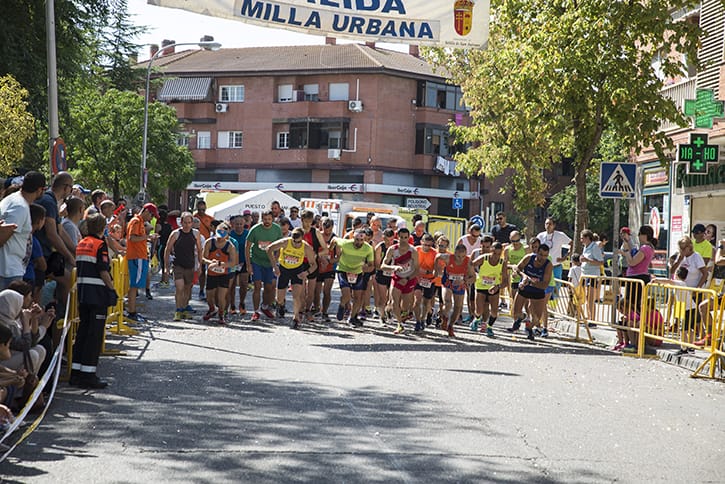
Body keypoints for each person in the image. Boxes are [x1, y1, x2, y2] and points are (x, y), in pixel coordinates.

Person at [70, 213, 117, 389]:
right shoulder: (100, 245)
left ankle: (76, 373)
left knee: (82, 333)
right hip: (97, 294)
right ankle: (88, 375)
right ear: (102, 227)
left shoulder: (82, 243)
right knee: (94, 336)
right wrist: (112, 290)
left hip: (83, 293)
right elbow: (103, 270)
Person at [0, 172, 46, 290]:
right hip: (7, 271)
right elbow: (2, 237)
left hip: (9, 269)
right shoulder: (19, 207)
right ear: (39, 190)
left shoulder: (12, 199)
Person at [266, 228, 318, 328]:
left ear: (302, 239)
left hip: (297, 270)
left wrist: (306, 273)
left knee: (296, 296)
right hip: (283, 269)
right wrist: (275, 266)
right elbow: (269, 249)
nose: (295, 244)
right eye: (294, 241)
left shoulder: (306, 247)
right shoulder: (286, 242)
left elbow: (314, 265)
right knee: (279, 299)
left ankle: (296, 318)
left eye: (298, 242)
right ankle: (281, 305)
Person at [507, 244, 553, 340]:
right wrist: (523, 276)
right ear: (536, 252)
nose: (542, 258)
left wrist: (530, 282)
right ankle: (522, 317)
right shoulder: (529, 258)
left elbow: (545, 285)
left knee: (536, 320)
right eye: (541, 254)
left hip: (538, 291)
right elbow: (517, 268)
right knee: (515, 313)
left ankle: (529, 328)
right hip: (524, 288)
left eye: (545, 255)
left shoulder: (548, 265)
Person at [331, 229, 374, 327]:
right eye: (357, 239)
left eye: (361, 240)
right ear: (353, 238)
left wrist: (366, 268)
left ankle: (353, 317)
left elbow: (371, 265)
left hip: (357, 272)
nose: (359, 242)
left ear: (365, 240)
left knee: (358, 297)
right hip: (343, 269)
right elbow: (334, 239)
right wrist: (331, 249)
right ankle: (342, 305)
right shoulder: (345, 243)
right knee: (347, 295)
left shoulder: (368, 248)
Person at [164, 212, 203, 321]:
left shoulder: (195, 233)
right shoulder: (176, 234)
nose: (187, 225)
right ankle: (178, 310)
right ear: (181, 222)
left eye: (189, 222)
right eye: (185, 222)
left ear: (192, 223)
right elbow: (167, 249)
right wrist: (166, 267)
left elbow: (200, 250)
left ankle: (184, 308)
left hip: (190, 264)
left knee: (187, 288)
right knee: (179, 287)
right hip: (178, 264)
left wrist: (200, 265)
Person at [246, 210, 282, 321]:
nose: (267, 221)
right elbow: (247, 247)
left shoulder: (277, 229)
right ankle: (256, 311)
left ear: (273, 219)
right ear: (262, 219)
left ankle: (265, 306)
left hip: (269, 262)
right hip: (256, 261)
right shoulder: (255, 229)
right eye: (265, 219)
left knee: (269, 287)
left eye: (269, 219)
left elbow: (279, 246)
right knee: (257, 286)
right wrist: (248, 264)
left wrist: (275, 262)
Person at [381, 227, 420, 333]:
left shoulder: (413, 251)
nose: (403, 240)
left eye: (405, 237)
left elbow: (417, 269)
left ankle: (402, 314)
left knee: (405, 306)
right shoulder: (392, 249)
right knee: (394, 302)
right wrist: (393, 267)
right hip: (397, 278)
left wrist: (407, 278)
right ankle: (399, 324)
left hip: (409, 279)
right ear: (397, 237)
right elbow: (383, 266)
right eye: (401, 237)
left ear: (408, 238)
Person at [126, 203, 159, 322]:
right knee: (134, 285)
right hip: (137, 256)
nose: (151, 218)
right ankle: (131, 312)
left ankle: (133, 311)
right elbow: (132, 238)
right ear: (146, 211)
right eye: (151, 215)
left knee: (135, 285)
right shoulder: (136, 221)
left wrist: (148, 238)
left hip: (139, 256)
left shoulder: (139, 221)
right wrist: (147, 237)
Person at [202, 223, 238, 325]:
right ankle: (212, 308)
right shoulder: (209, 242)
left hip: (223, 273)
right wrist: (211, 262)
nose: (220, 238)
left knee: (221, 296)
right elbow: (203, 258)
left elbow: (233, 262)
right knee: (209, 296)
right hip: (211, 273)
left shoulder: (230, 246)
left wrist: (221, 264)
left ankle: (221, 314)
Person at [437, 243, 474, 338]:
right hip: (448, 282)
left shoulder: (468, 261)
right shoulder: (448, 258)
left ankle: (450, 326)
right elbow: (437, 256)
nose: (461, 258)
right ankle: (444, 317)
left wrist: (464, 281)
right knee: (448, 302)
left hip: (460, 284)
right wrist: (436, 270)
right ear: (455, 253)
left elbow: (473, 277)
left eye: (463, 256)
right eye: (458, 256)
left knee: (458, 307)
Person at [471, 241, 506, 337]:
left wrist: (498, 286)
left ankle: (489, 327)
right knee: (479, 310)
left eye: (499, 254)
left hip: (494, 287)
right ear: (491, 250)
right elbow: (471, 264)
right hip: (481, 286)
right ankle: (476, 319)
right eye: (494, 253)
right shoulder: (484, 258)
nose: (496, 256)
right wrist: (473, 275)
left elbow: (505, 281)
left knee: (494, 312)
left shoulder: (502, 262)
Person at [619, 225, 656, 311]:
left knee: (632, 304)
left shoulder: (645, 248)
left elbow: (632, 262)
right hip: (636, 277)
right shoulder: (645, 247)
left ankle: (635, 318)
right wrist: (628, 241)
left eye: (639, 234)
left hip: (637, 277)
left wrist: (626, 251)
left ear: (644, 235)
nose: (638, 236)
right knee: (632, 303)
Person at [536, 218, 571, 293]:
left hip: (556, 267)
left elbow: (572, 243)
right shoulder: (540, 236)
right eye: (546, 224)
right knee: (543, 290)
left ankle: (555, 300)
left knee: (555, 291)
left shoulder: (560, 235)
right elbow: (535, 248)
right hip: (543, 267)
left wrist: (564, 257)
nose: (548, 226)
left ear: (554, 225)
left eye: (550, 224)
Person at [457, 223, 482, 323]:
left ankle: (472, 314)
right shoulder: (462, 240)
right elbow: (457, 254)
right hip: (463, 268)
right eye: (473, 235)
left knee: (472, 293)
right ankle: (459, 314)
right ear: (469, 232)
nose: (475, 238)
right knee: (462, 292)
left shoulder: (480, 241)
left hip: (474, 269)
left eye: (477, 236)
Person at [314, 217, 337, 321]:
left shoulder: (335, 238)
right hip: (317, 267)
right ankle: (316, 308)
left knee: (327, 291)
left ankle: (325, 311)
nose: (327, 230)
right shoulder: (317, 236)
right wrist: (319, 258)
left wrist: (329, 261)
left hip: (329, 268)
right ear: (321, 226)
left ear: (332, 227)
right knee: (316, 291)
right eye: (325, 227)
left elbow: (339, 256)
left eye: (329, 227)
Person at [227, 215, 249, 316]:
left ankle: (242, 303)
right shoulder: (230, 234)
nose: (239, 226)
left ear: (244, 224)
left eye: (241, 224)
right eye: (237, 224)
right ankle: (232, 305)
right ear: (233, 224)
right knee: (232, 285)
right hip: (232, 262)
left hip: (244, 262)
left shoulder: (247, 234)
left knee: (244, 284)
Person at [414, 234, 437, 328]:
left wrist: (428, 272)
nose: (427, 247)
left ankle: (423, 318)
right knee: (417, 300)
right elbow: (411, 264)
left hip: (430, 279)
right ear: (421, 242)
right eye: (425, 245)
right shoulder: (415, 250)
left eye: (429, 245)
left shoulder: (435, 253)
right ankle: (417, 321)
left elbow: (437, 269)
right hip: (417, 278)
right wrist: (418, 272)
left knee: (426, 302)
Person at [580, 229, 604, 320]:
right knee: (586, 297)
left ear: (587, 238)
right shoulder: (585, 247)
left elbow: (601, 262)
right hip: (585, 274)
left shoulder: (594, 247)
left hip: (592, 275)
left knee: (590, 298)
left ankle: (592, 319)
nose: (581, 240)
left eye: (582, 238)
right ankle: (588, 316)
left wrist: (587, 260)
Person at [373, 228, 396, 324]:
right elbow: (377, 265)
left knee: (392, 297)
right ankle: (382, 316)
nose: (389, 242)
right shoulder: (379, 247)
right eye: (387, 240)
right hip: (382, 274)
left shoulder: (397, 245)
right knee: (383, 298)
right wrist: (387, 268)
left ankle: (388, 311)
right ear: (383, 238)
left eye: (391, 240)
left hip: (394, 275)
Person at [193, 200, 214, 300]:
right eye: (199, 210)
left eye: (203, 210)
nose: (201, 211)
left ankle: (202, 290)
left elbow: (214, 229)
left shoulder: (209, 218)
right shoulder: (193, 217)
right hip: (193, 245)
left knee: (203, 269)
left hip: (205, 246)